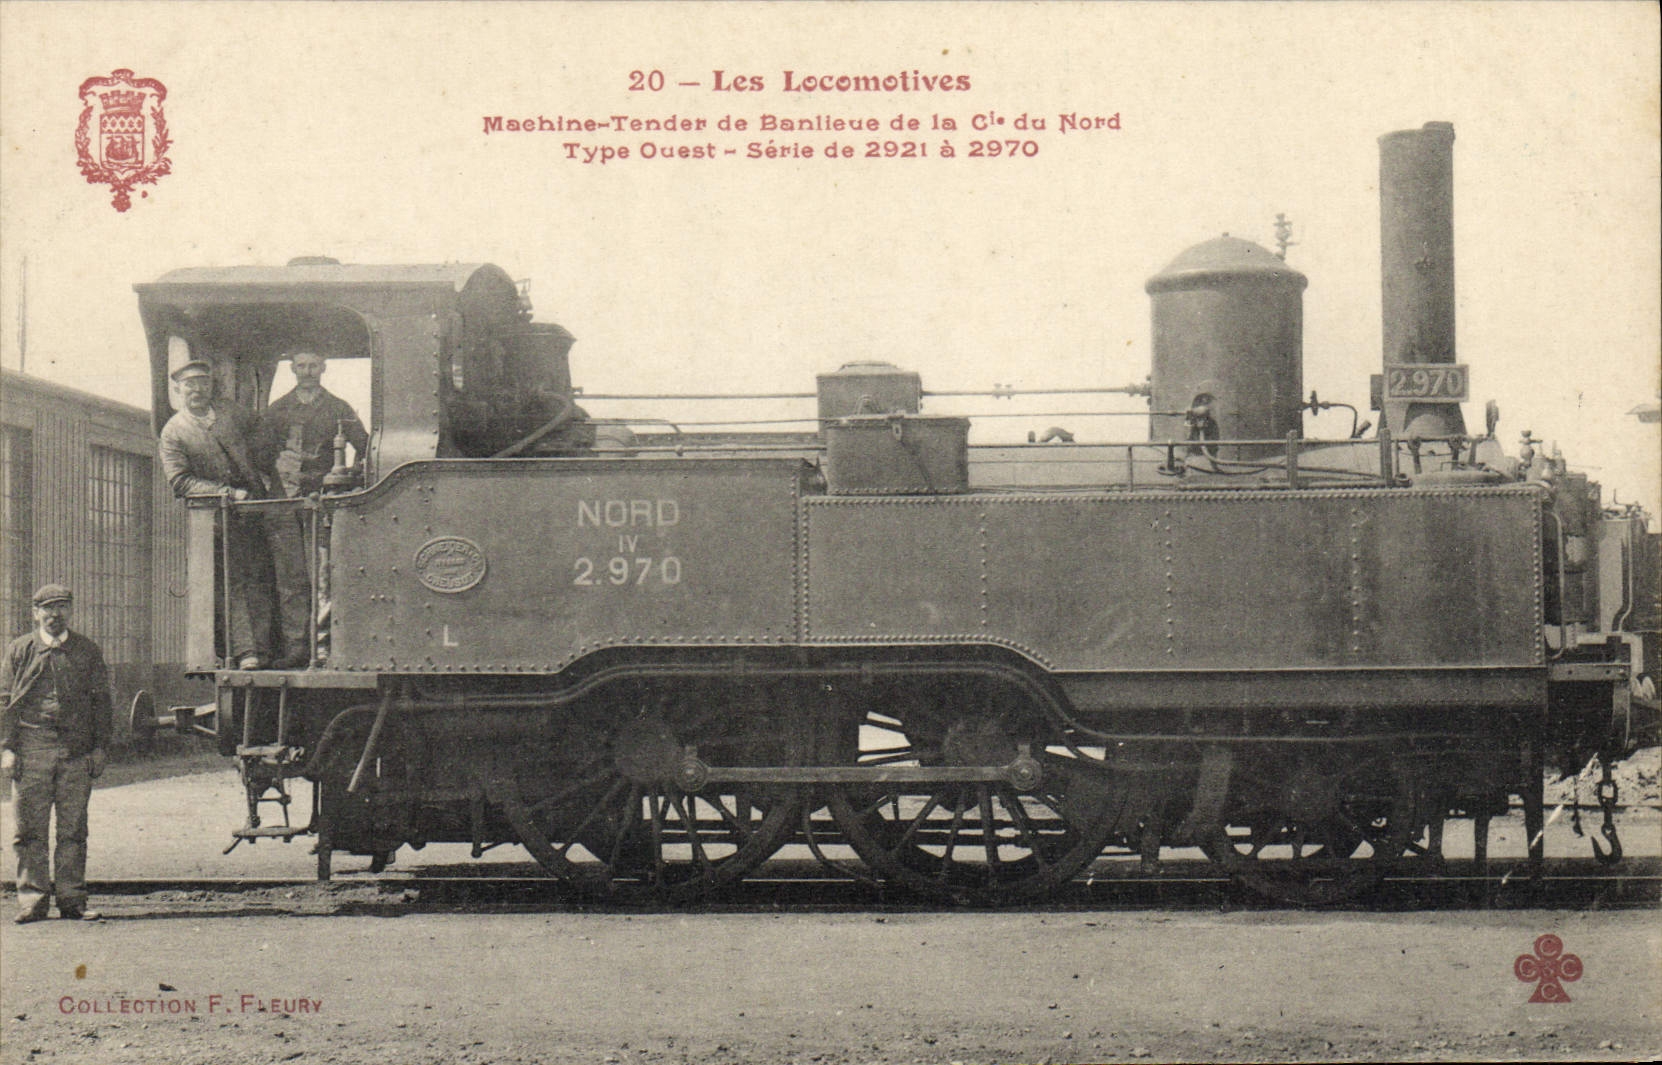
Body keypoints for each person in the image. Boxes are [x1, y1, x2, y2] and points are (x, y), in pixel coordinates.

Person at [1, 585, 111, 922]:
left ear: (71, 611)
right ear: (35, 614)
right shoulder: (20, 650)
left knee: (73, 829)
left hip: (75, 751)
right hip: (31, 749)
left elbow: (102, 703)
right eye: (47, 608)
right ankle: (32, 901)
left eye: (62, 607)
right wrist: (6, 748)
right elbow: (4, 701)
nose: (55, 615)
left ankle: (72, 900)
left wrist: (99, 748)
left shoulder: (86, 651)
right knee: (29, 830)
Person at [254, 350, 367, 669]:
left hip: (323, 503)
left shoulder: (339, 408)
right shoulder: (277, 410)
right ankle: (296, 648)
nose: (307, 371)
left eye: (313, 366)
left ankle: (324, 648)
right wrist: (277, 478)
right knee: (290, 578)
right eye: (301, 366)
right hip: (284, 503)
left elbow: (365, 446)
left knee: (323, 575)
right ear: (292, 369)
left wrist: (348, 476)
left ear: (323, 368)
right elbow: (260, 454)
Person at [157, 359, 274, 670]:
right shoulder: (173, 432)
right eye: (190, 384)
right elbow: (181, 482)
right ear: (178, 390)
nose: (197, 389)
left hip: (255, 511)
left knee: (261, 577)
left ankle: (266, 650)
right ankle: (246, 652)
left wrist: (264, 468)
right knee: (231, 583)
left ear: (212, 386)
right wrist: (228, 493)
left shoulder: (230, 412)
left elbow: (261, 429)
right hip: (217, 520)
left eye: (203, 383)